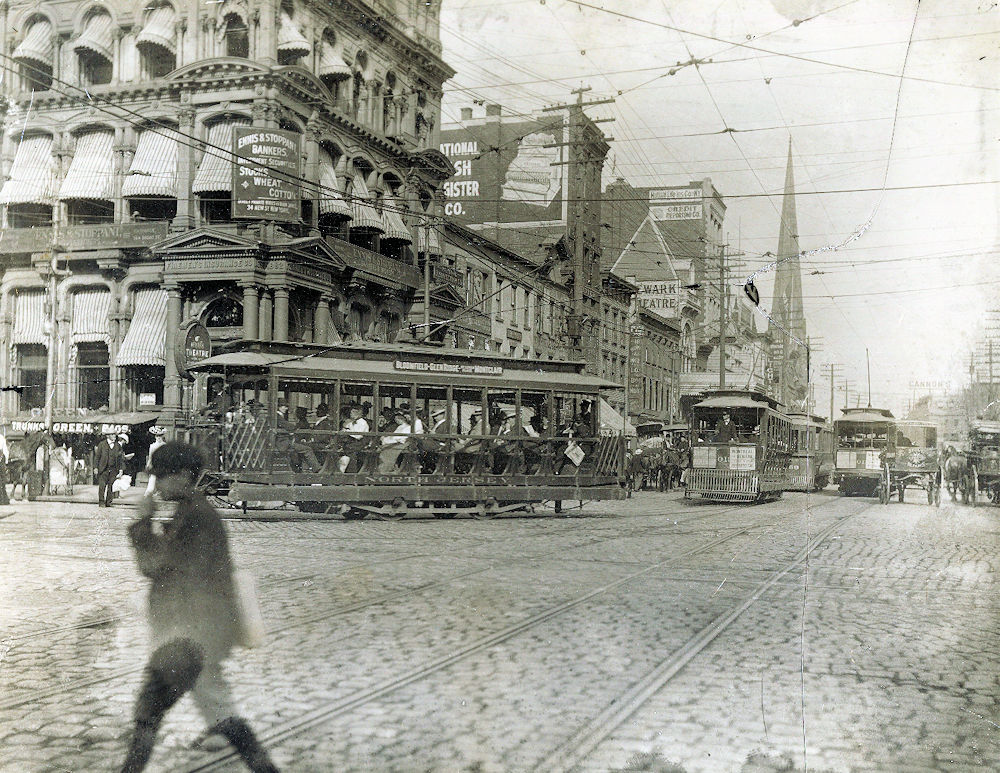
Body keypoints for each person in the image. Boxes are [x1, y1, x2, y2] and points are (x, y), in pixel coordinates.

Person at [121, 442, 279, 773]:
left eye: (162, 477)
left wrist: (143, 524)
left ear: (181, 476)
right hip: (196, 634)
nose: (158, 486)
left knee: (150, 712)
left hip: (190, 636)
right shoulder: (192, 512)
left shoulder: (195, 518)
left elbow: (155, 566)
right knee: (218, 710)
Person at [95, 429, 124, 507]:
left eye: (115, 434)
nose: (114, 436)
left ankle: (108, 502)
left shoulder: (118, 445)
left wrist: (121, 470)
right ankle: (101, 502)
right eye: (112, 434)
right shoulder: (102, 444)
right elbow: (97, 457)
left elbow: (120, 459)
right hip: (103, 469)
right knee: (102, 486)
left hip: (113, 469)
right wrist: (96, 468)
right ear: (107, 436)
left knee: (111, 487)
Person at [144, 426, 167, 496]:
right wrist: (148, 464)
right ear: (155, 437)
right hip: (155, 464)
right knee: (152, 478)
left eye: (160, 436)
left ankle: (161, 493)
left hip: (163, 464)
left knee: (162, 478)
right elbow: (150, 456)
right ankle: (149, 492)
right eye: (157, 436)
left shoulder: (165, 445)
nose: (159, 438)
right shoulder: (152, 446)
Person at [0, 431, 9, 506]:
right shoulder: (2, 437)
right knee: (2, 480)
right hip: (1, 460)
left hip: (1, 459)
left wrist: (6, 462)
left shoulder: (2, 438)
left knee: (2, 480)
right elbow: (5, 451)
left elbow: (5, 451)